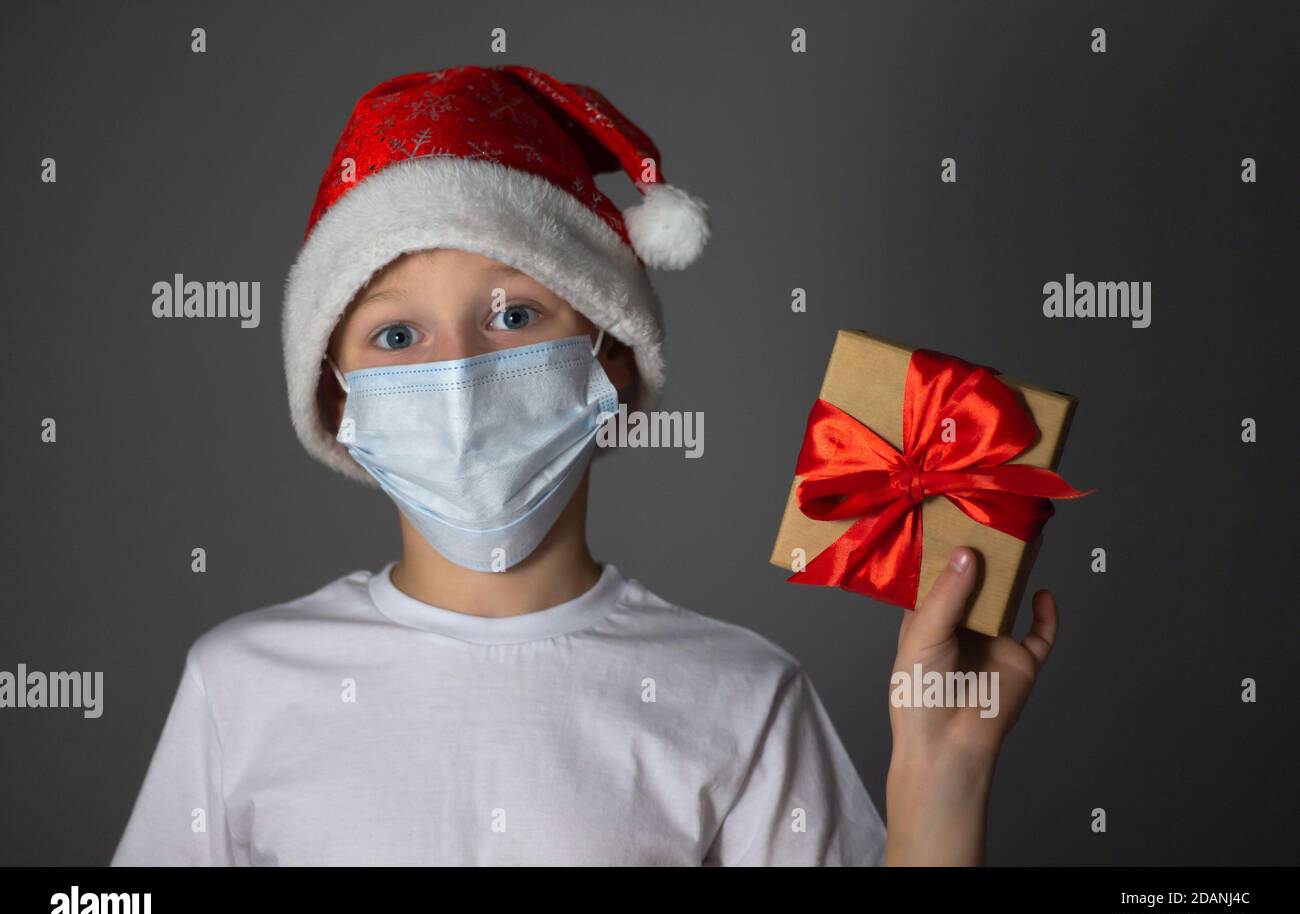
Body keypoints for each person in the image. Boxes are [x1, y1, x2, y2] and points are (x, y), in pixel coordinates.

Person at [110, 64, 1063, 866]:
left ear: (610, 361)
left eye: (515, 314)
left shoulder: (740, 694)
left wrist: (945, 775)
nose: (458, 373)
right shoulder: (240, 686)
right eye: (396, 332)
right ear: (335, 397)